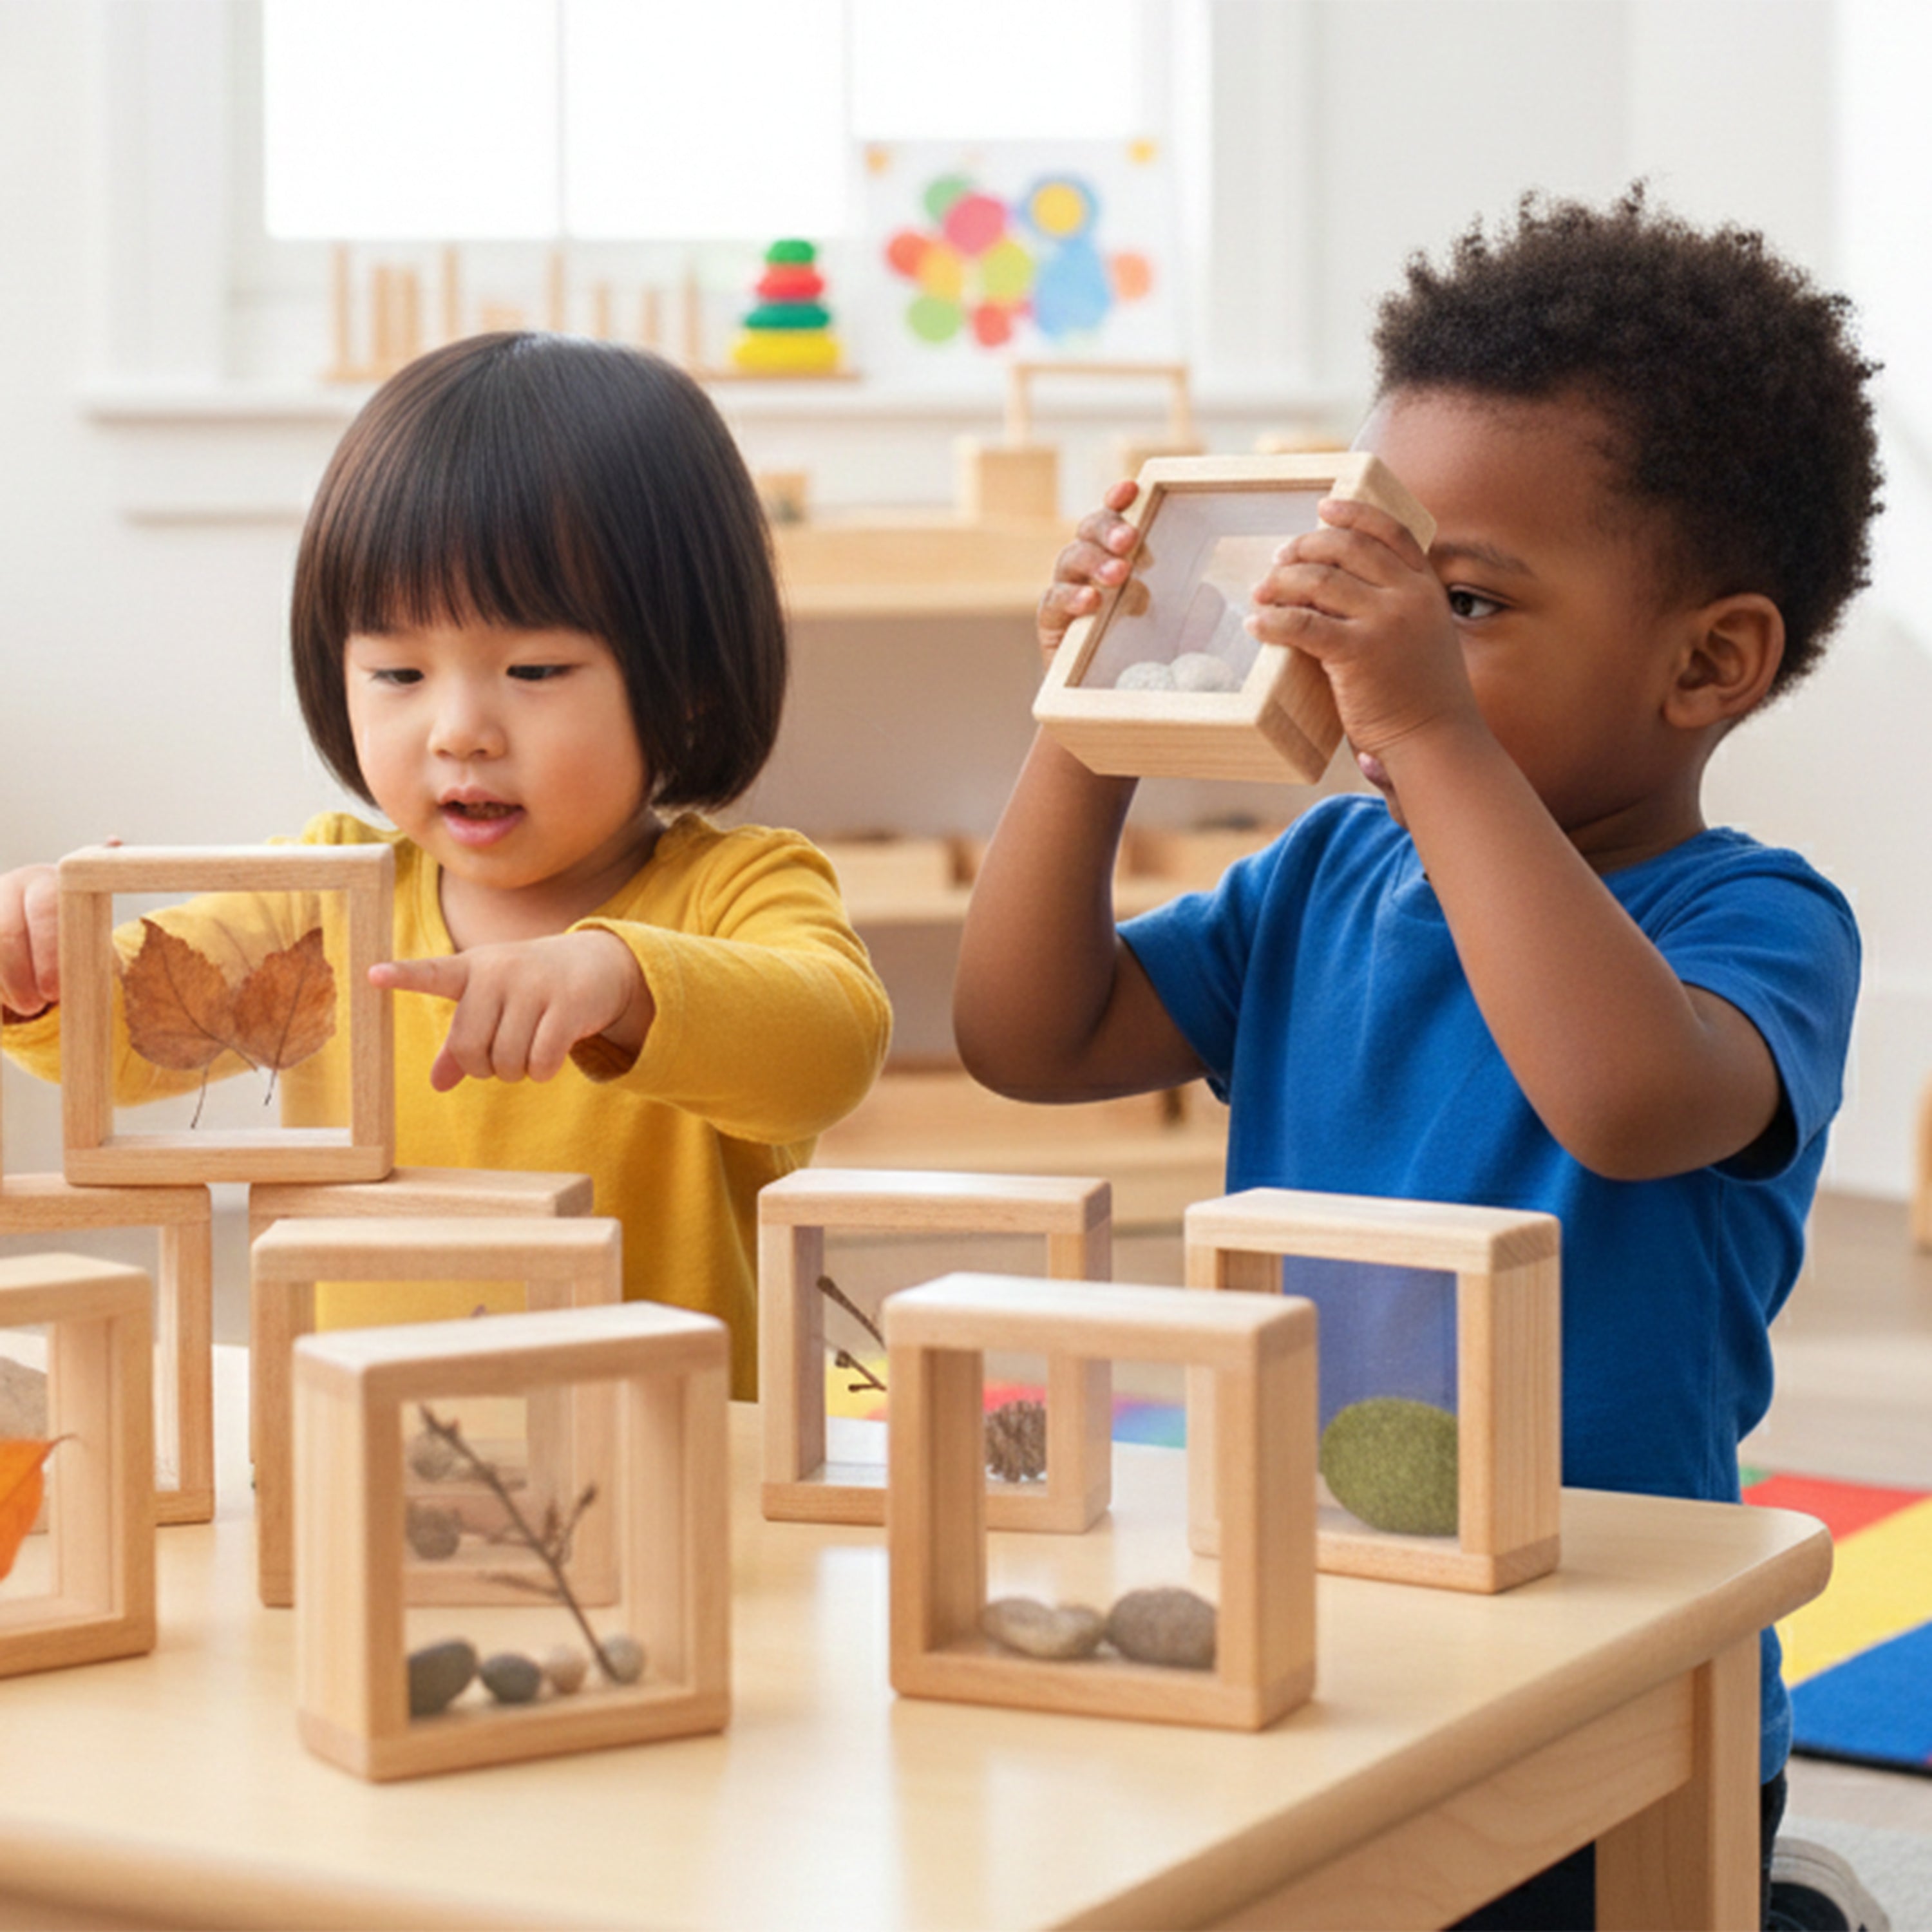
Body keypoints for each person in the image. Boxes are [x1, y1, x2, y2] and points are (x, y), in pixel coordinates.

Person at [954, 189, 1886, 1932]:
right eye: (1365, 569)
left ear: (1711, 663)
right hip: (1319, 1607)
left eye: (1457, 599)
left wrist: (1429, 730)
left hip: (1614, 1664)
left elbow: (1615, 1103)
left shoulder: (1760, 924)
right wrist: (1098, 716)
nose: (1367, 644)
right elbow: (1030, 1034)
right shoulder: (1326, 877)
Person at [1, 332, 891, 1400]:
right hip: (381, 1470)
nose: (459, 728)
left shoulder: (735, 888)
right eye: (397, 671)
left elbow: (831, 1048)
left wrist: (620, 978)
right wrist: (42, 964)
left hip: (670, 1474)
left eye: (534, 668)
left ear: (687, 682)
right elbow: (124, 1046)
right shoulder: (327, 901)